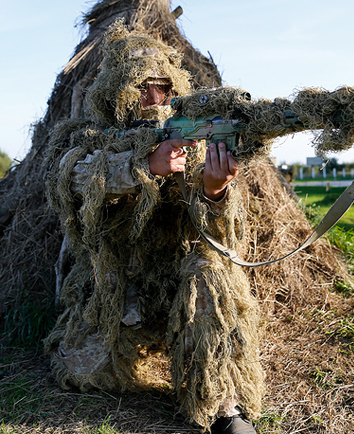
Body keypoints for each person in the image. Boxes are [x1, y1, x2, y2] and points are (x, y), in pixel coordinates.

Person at [44, 21, 262, 434]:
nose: (152, 98)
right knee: (87, 374)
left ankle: (222, 406)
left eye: (162, 88)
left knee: (211, 273)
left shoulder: (192, 139)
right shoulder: (84, 136)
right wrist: (142, 166)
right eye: (140, 88)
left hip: (178, 287)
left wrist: (213, 190)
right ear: (114, 92)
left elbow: (216, 235)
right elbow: (69, 176)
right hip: (116, 294)